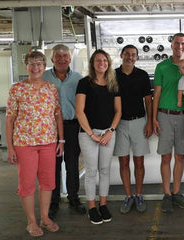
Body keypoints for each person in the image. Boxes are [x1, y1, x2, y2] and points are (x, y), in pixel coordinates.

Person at [5, 51, 63, 237]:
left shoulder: (51, 88)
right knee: (27, 183)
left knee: (47, 183)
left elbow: (57, 115)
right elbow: (9, 119)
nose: (35, 67)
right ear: (26, 66)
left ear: (45, 65)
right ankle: (31, 221)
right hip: (24, 143)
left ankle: (45, 218)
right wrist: (10, 147)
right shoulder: (17, 89)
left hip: (48, 142)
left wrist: (60, 140)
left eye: (39, 63)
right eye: (31, 64)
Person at [153, 33, 184, 213]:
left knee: (180, 156)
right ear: (171, 45)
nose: (180, 46)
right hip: (164, 115)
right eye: (176, 43)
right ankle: (167, 194)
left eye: (183, 43)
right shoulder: (162, 67)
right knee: (166, 156)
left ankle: (177, 192)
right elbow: (156, 94)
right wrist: (153, 118)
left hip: (183, 117)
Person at [76, 49, 122, 225]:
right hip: (89, 134)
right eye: (98, 60)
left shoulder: (113, 83)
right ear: (92, 63)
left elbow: (118, 111)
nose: (101, 63)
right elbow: (79, 112)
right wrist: (91, 134)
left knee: (104, 170)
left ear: (108, 63)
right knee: (91, 172)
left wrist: (110, 130)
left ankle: (103, 205)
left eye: (104, 60)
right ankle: (92, 207)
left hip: (108, 134)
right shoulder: (84, 83)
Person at [42, 44, 85, 219]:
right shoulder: (44, 77)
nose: (61, 59)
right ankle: (53, 201)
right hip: (49, 129)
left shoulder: (78, 78)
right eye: (58, 56)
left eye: (65, 56)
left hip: (72, 126)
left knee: (72, 164)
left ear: (69, 58)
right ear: (52, 59)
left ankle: (74, 198)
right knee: (53, 165)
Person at [113, 45, 153, 214]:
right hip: (119, 123)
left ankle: (139, 194)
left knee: (139, 161)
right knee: (123, 162)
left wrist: (150, 121)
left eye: (133, 55)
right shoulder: (112, 75)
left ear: (137, 57)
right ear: (121, 55)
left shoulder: (142, 75)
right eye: (127, 54)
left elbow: (148, 101)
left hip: (139, 122)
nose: (130, 57)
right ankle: (128, 196)